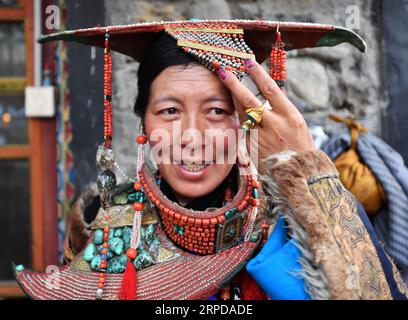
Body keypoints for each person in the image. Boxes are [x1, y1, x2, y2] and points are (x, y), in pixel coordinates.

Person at [15, 20, 407, 300]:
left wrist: (304, 167)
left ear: (247, 122)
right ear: (144, 122)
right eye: (169, 111)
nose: (191, 136)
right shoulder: (106, 226)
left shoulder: (292, 226)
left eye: (217, 111)